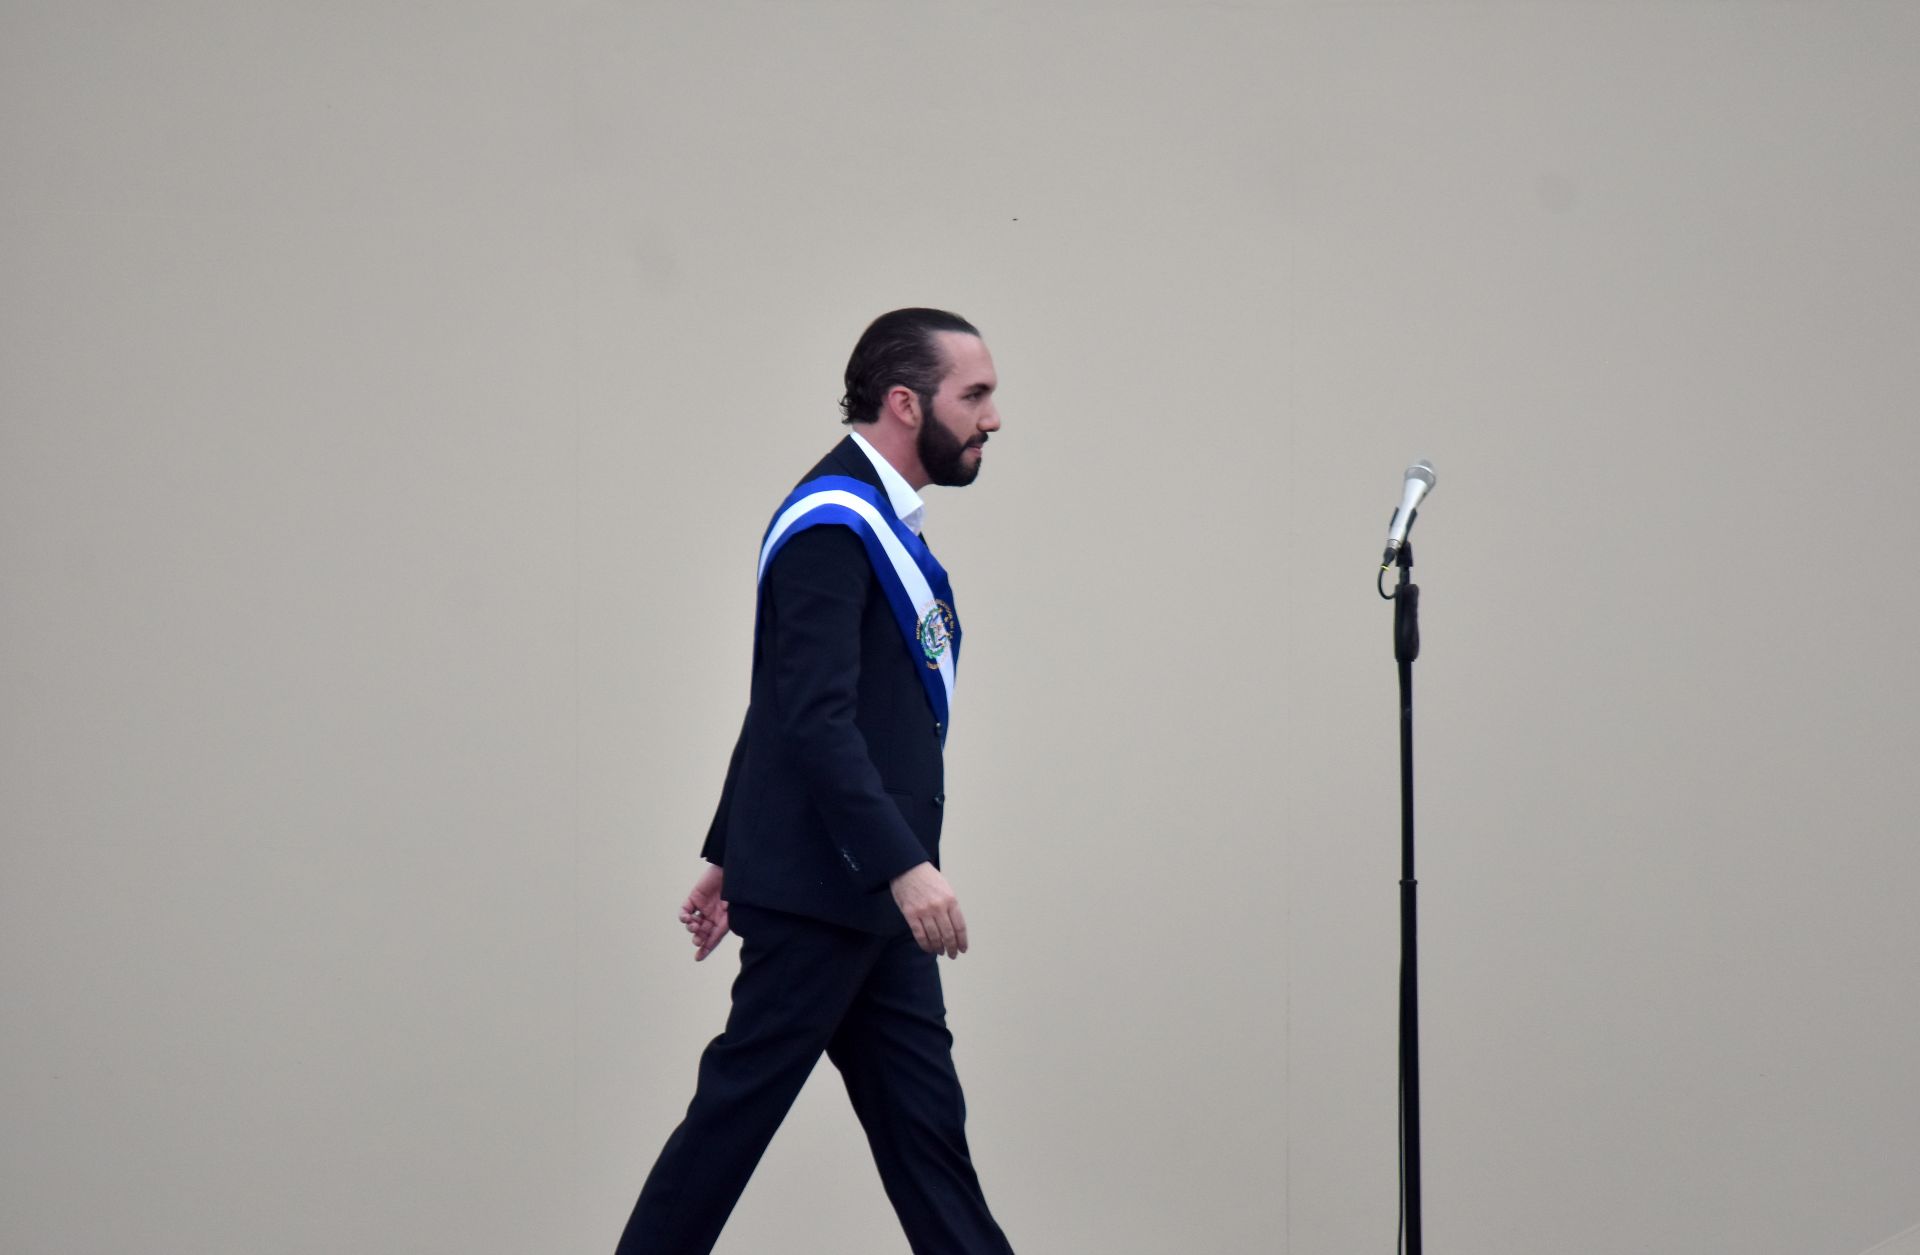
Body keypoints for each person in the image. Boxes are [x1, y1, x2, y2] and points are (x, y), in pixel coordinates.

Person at [615, 308, 1016, 1255]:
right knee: (725, 1135)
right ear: (906, 402)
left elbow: (782, 701)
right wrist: (902, 866)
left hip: (866, 899)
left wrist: (726, 853)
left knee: (930, 1154)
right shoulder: (831, 525)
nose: (994, 418)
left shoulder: (875, 518)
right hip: (834, 893)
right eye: (977, 394)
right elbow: (810, 715)